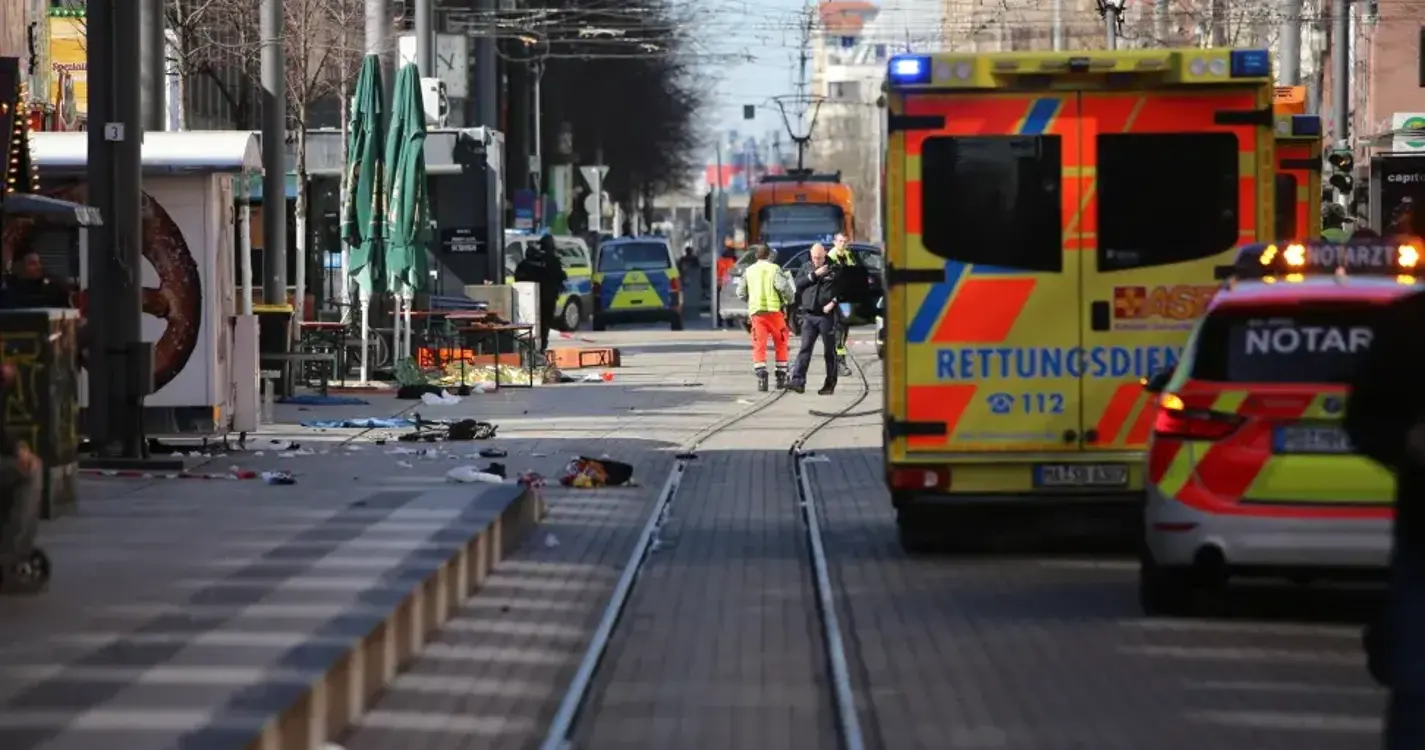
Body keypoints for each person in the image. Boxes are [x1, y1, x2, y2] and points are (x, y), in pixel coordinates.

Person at [1343, 284, 1425, 749]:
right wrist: (1407, 441)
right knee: (1417, 694)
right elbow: (1364, 420)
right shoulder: (1408, 326)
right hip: (1424, 543)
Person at [734, 244, 793, 391]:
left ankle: (761, 375)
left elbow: (740, 292)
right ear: (769, 255)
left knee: (759, 344)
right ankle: (781, 376)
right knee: (781, 342)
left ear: (756, 256)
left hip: (757, 314)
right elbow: (784, 288)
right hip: (775, 313)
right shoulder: (774, 269)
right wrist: (788, 300)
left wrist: (751, 299)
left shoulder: (749, 271)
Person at [788, 242, 842, 395]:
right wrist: (814, 275)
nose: (816, 260)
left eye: (819, 257)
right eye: (814, 258)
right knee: (805, 348)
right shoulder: (806, 267)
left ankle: (830, 384)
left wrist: (833, 303)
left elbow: (844, 290)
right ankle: (798, 381)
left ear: (825, 254)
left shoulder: (835, 269)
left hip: (826, 316)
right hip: (809, 315)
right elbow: (797, 285)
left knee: (829, 352)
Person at [513, 234, 567, 354]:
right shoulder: (551, 260)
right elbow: (561, 276)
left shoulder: (527, 264)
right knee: (544, 323)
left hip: (531, 299)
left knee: (531, 323)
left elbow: (518, 279)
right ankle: (541, 347)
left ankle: (532, 347)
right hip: (547, 298)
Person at [826, 233, 862, 377]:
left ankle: (837, 362)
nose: (843, 244)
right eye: (840, 241)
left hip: (846, 300)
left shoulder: (848, 255)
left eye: (845, 242)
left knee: (843, 332)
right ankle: (839, 364)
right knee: (838, 332)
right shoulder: (831, 257)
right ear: (835, 242)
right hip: (835, 300)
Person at [1, 249, 71, 309]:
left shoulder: (53, 288)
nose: (39, 267)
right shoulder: (6, 289)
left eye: (39, 263)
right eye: (32, 264)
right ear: (18, 266)